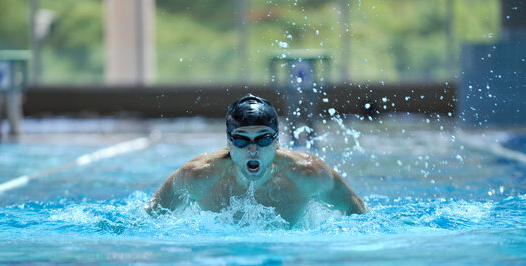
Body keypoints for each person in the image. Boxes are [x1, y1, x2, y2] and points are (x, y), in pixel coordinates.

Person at [146, 94, 366, 225]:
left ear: (277, 142)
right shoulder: (197, 176)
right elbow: (144, 220)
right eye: (242, 140)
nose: (253, 149)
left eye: (263, 139)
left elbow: (361, 216)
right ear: (229, 144)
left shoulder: (307, 174)